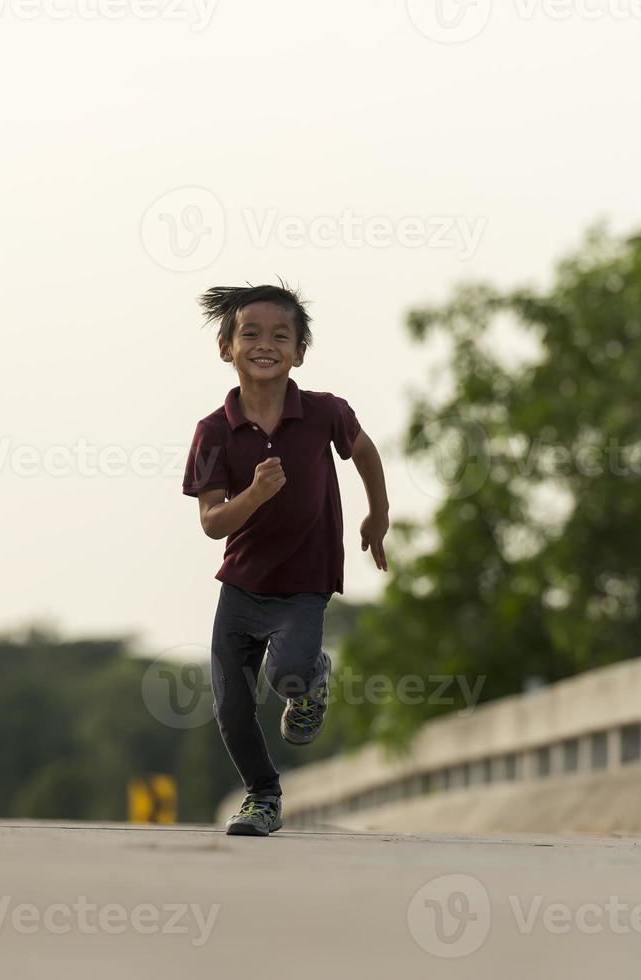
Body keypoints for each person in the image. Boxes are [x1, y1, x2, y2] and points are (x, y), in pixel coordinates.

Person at [181, 282, 390, 837]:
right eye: (250, 333)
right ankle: (263, 797)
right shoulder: (213, 432)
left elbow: (365, 452)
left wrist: (378, 515)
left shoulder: (325, 414)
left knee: (288, 673)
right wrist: (254, 494)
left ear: (299, 351)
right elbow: (211, 523)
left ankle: (311, 682)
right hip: (242, 587)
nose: (264, 344)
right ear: (227, 348)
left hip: (304, 584)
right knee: (230, 706)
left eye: (281, 335)